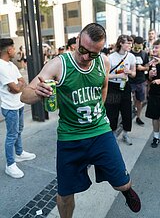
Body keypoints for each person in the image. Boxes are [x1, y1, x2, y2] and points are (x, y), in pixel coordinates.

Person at [21, 23, 141, 217]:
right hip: (70, 137)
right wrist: (38, 92)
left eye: (93, 53)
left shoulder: (103, 62)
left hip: (100, 133)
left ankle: (127, 191)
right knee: (66, 194)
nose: (86, 57)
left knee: (123, 183)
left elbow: (103, 88)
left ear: (101, 50)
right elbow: (24, 96)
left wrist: (99, 112)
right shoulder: (59, 64)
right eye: (83, 50)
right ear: (77, 40)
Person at [0, 38, 36, 179]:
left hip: (18, 104)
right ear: (9, 50)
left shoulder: (11, 65)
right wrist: (18, 85)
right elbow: (16, 88)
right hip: (10, 107)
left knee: (18, 131)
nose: (15, 50)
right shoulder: (2, 67)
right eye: (13, 48)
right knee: (11, 135)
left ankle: (19, 153)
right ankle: (10, 165)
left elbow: (23, 82)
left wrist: (19, 84)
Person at [105, 35, 136, 145]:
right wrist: (119, 75)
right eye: (127, 43)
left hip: (125, 86)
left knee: (127, 112)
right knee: (112, 113)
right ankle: (113, 135)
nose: (130, 45)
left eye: (131, 43)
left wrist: (129, 73)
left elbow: (134, 73)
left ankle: (125, 134)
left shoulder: (131, 56)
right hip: (113, 87)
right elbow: (105, 75)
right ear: (121, 43)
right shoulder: (111, 57)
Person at [130, 36, 149, 125]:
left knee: (140, 100)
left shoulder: (144, 54)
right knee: (131, 98)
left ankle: (138, 116)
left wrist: (143, 68)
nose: (137, 48)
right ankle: (130, 114)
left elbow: (148, 67)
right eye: (136, 46)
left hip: (141, 80)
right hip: (130, 80)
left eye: (139, 46)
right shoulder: (129, 53)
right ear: (133, 44)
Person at [145, 39, 160, 148]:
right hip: (154, 94)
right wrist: (150, 75)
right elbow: (149, 80)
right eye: (153, 47)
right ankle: (156, 137)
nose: (154, 49)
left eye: (156, 47)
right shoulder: (152, 62)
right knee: (155, 117)